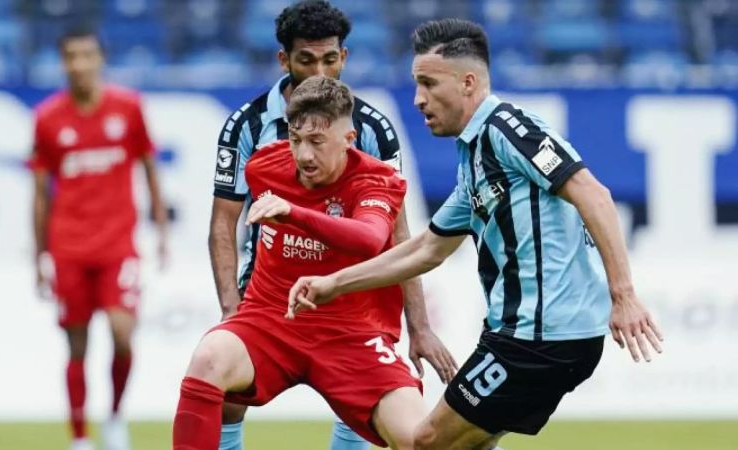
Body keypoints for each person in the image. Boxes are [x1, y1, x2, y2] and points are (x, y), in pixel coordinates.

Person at [288, 19, 664, 450]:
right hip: (524, 335)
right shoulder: (474, 158)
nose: (418, 99)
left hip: (539, 338)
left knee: (427, 441)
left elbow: (594, 195)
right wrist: (333, 284)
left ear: (468, 82)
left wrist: (624, 295)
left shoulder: (508, 128)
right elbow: (428, 248)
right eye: (416, 84)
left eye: (428, 84)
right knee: (468, 444)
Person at [209, 2, 456, 448]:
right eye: (307, 60)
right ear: (284, 60)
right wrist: (230, 307)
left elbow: (399, 235)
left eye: (329, 59)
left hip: (355, 297)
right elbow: (224, 225)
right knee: (225, 394)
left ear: (343, 56)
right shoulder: (247, 125)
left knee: (361, 409)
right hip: (270, 291)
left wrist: (418, 326)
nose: (320, 70)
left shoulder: (373, 127)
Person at [175, 76, 431, 450]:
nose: (304, 154)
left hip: (353, 333)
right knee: (208, 358)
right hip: (271, 321)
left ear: (349, 138)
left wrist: (292, 213)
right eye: (296, 139)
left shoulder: (378, 181)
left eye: (316, 141)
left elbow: (370, 239)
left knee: (418, 439)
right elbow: (222, 223)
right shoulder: (263, 167)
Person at [30, 26, 168, 450]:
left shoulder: (128, 108)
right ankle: (78, 436)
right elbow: (39, 193)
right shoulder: (48, 118)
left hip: (117, 244)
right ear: (63, 62)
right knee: (76, 343)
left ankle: (114, 417)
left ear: (100, 59)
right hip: (69, 245)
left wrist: (160, 230)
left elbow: (149, 169)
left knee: (124, 332)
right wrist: (39, 256)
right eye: (71, 56)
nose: (79, 65)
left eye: (87, 55)